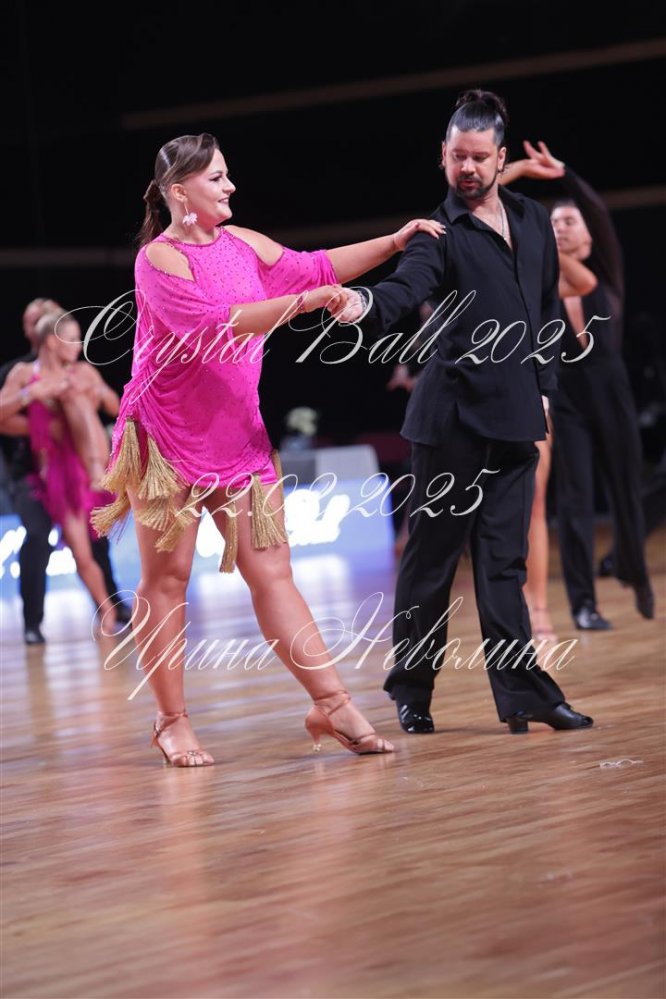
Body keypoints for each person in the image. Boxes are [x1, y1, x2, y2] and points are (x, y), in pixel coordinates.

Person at [92, 132, 444, 767]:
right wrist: (301, 305)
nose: (230, 186)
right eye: (216, 178)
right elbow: (215, 326)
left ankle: (332, 703)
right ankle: (171, 722)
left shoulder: (244, 244)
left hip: (240, 437)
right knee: (167, 579)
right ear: (179, 192)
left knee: (274, 572)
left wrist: (394, 242)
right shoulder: (158, 259)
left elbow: (318, 267)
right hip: (166, 438)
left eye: (227, 175)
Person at [339, 90, 594, 735]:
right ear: (443, 155)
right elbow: (408, 285)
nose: (468, 168)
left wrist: (544, 386)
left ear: (501, 157)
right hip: (450, 422)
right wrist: (364, 306)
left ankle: (524, 695)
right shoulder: (439, 230)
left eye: (480, 157)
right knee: (431, 563)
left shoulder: (531, 219)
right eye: (458, 157)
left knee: (504, 563)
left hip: (517, 417)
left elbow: (545, 312)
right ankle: (411, 689)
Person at [516, 140, 654, 628]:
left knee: (625, 486)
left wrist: (565, 176)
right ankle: (583, 604)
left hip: (610, 386)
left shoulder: (605, 272)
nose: (561, 227)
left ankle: (635, 571)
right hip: (567, 393)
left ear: (588, 235)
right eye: (554, 223)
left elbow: (596, 210)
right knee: (574, 498)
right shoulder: (544, 281)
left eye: (569, 222)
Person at [498, 159, 599, 642]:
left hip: (530, 397)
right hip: (474, 396)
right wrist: (516, 169)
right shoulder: (480, 262)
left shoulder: (539, 272)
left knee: (533, 505)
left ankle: (537, 609)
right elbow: (473, 193)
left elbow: (585, 283)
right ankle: (503, 611)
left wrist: (548, 243)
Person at [0, 299, 132, 644]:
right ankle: (41, 621)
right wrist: (33, 398)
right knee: (60, 544)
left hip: (81, 470)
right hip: (49, 475)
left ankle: (109, 610)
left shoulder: (80, 373)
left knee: (89, 548)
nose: (79, 345)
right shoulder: (24, 374)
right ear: (51, 340)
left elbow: (115, 405)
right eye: (72, 339)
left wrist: (95, 391)